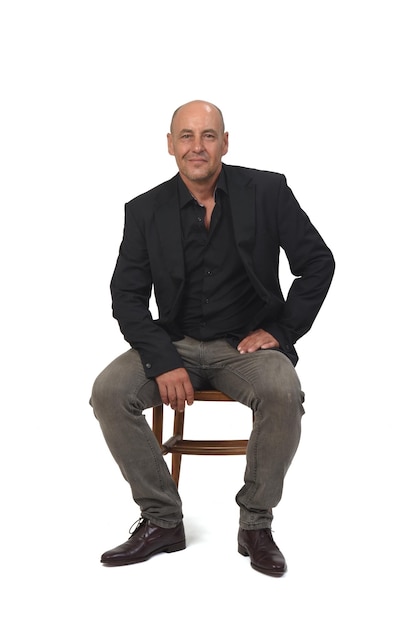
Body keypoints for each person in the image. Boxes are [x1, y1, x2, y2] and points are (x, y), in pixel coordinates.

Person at [90, 99, 335, 577]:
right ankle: (162, 520)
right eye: (186, 136)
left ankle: (256, 525)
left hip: (243, 346)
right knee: (108, 392)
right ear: (169, 145)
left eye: (207, 136)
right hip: (174, 342)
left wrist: (281, 331)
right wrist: (162, 360)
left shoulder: (267, 191)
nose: (196, 147)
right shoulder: (144, 210)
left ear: (225, 142)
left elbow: (318, 264)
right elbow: (126, 296)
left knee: (284, 391)